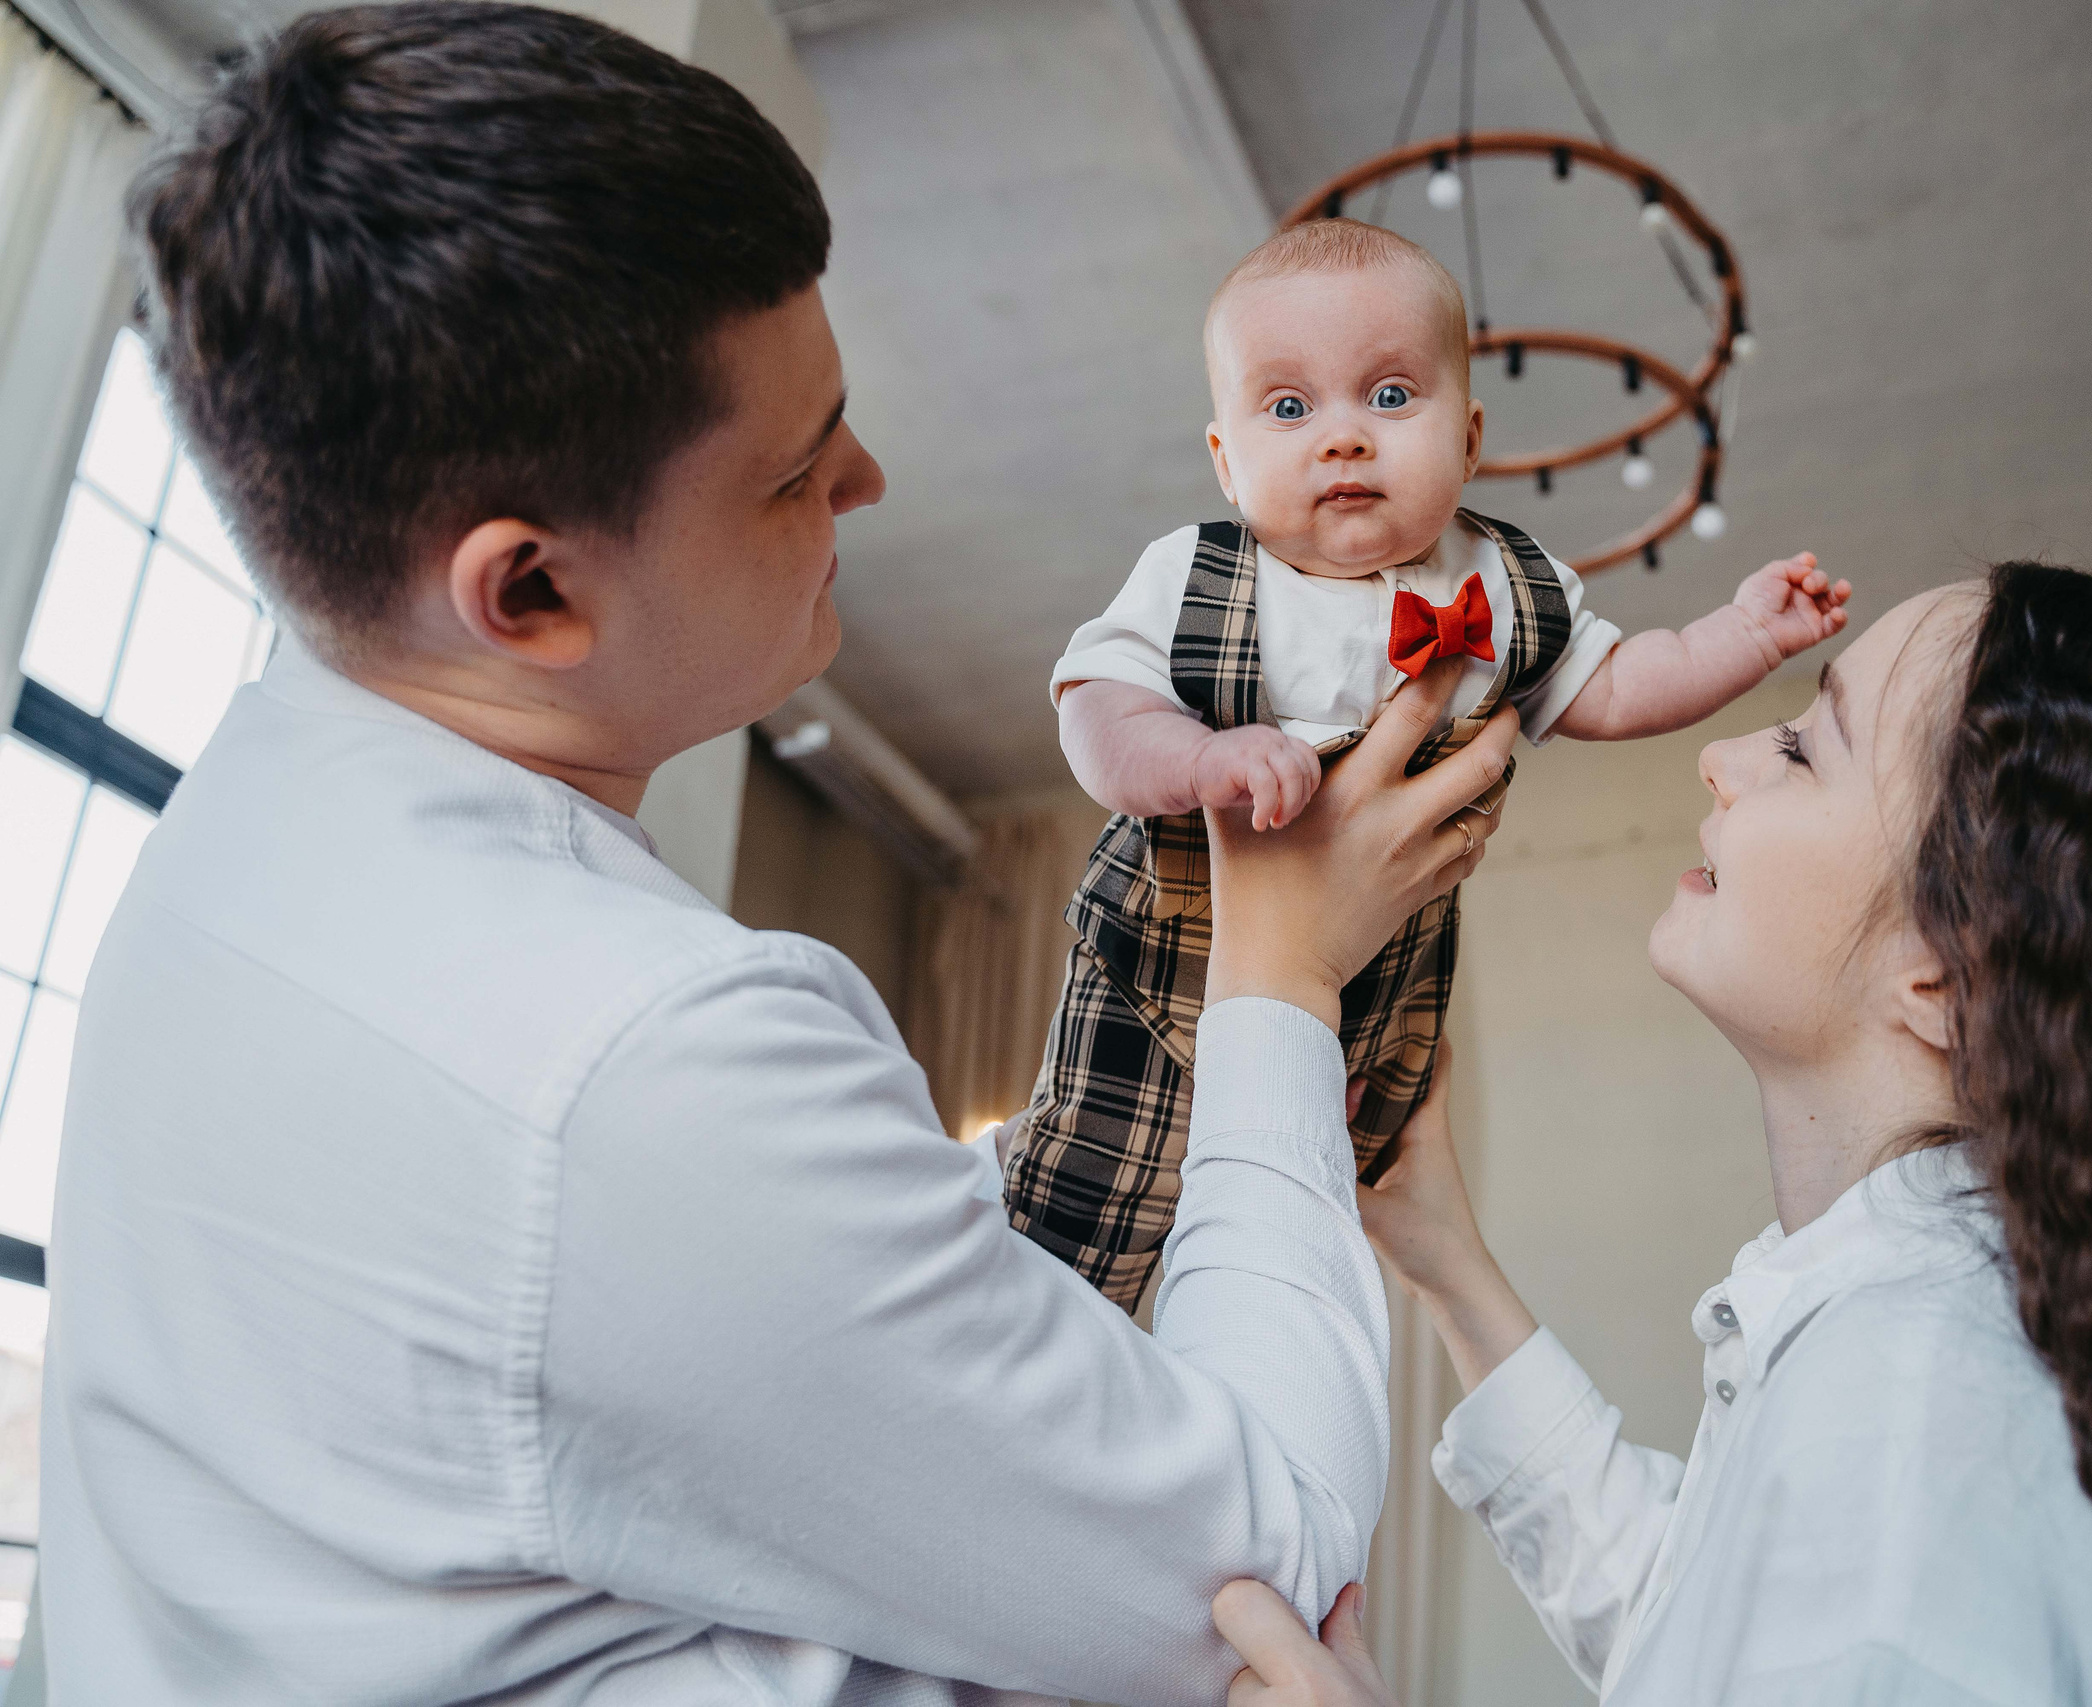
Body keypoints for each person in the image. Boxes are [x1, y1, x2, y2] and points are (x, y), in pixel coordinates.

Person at [39, 7, 1520, 1702]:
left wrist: (1128, 1119)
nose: (869, 479)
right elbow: (1274, 1549)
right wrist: (1280, 975)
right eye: (799, 471)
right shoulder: (646, 1073)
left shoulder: (247, 822)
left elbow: (759, 1300)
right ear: (529, 590)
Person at [1218, 565, 2092, 1704]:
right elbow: (1708, 1620)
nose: (1722, 754)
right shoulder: (1955, 1342)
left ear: (1949, 972)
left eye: (1806, 746)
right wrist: (1450, 1261)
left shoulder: (1923, 1429)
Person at [1010, 217, 1850, 1310]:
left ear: (1470, 440)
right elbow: (1095, 714)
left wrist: (1742, 636)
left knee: (1288, 1254)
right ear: (1224, 459)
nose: (1343, 438)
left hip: (1380, 995)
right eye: (1287, 407)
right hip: (1160, 971)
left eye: (1392, 397)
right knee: (1079, 1235)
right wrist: (1201, 756)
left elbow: (1614, 685)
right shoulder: (1197, 576)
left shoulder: (1507, 583)